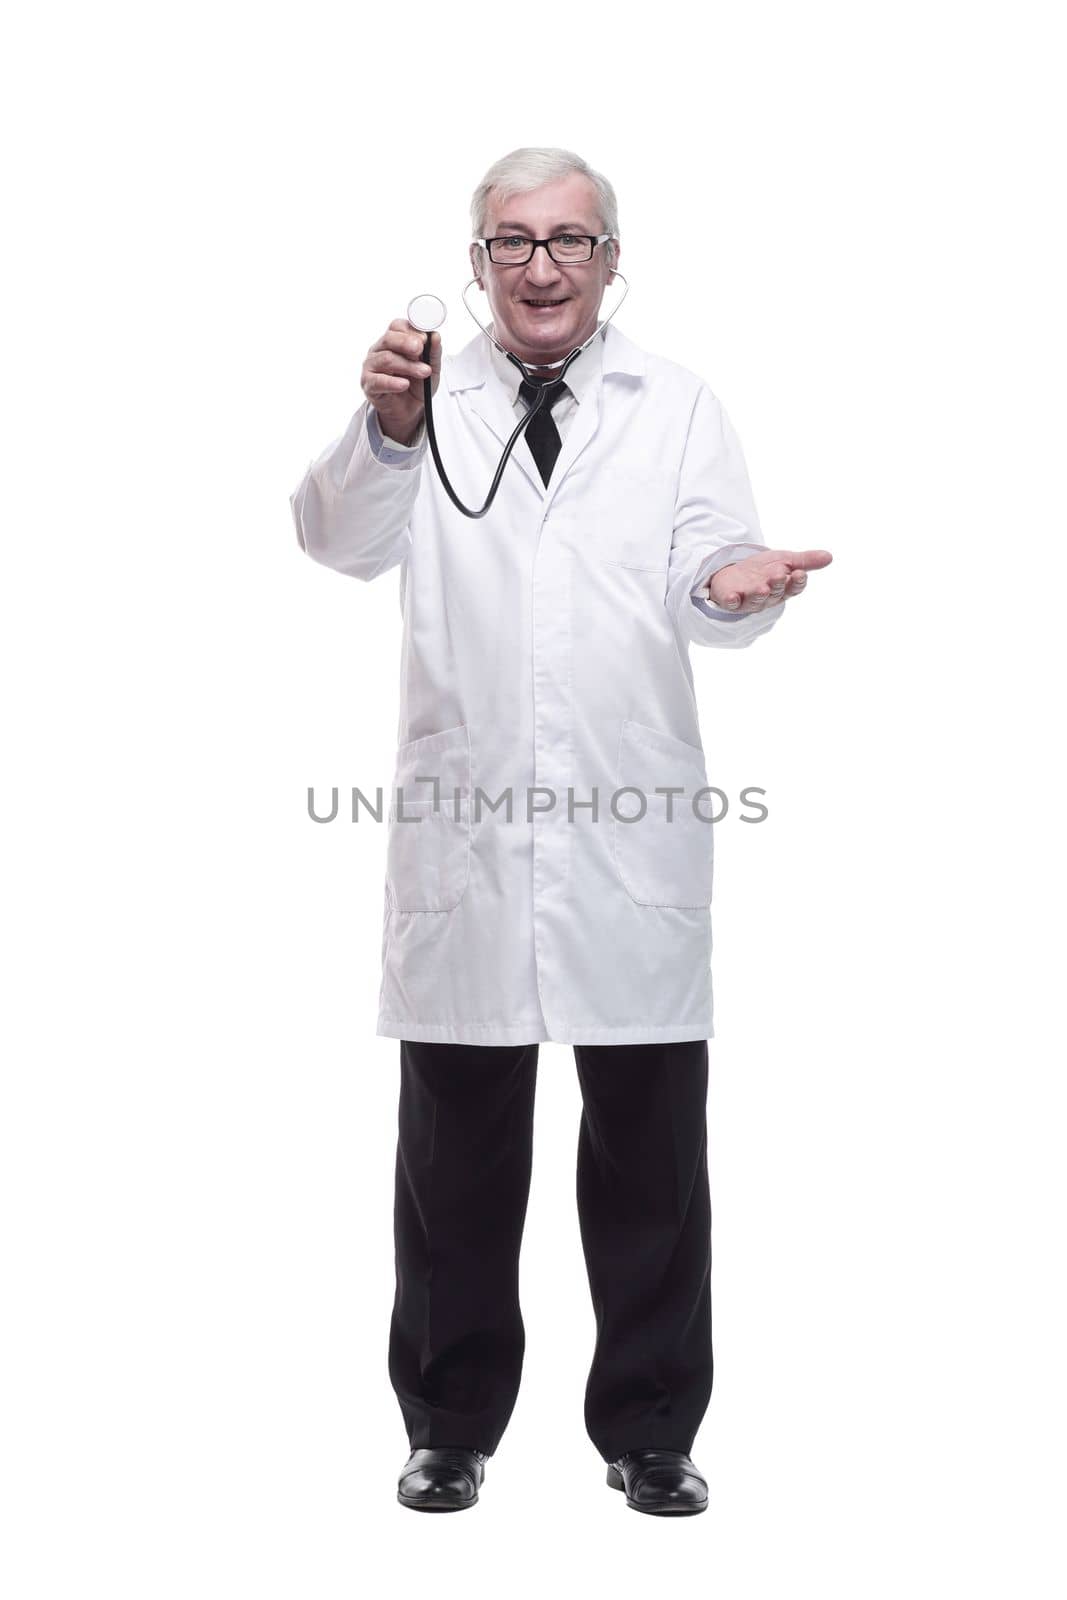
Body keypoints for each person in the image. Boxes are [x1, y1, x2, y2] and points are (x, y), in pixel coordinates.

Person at [290, 146, 831, 1516]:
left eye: (571, 241)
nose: (543, 267)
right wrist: (388, 430)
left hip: (627, 835)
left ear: (609, 260)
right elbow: (337, 542)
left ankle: (653, 1433)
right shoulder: (421, 397)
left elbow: (714, 570)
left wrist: (736, 580)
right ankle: (448, 1426)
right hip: (465, 844)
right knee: (454, 1163)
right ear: (476, 263)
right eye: (516, 242)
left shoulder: (677, 405)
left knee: (650, 1162)